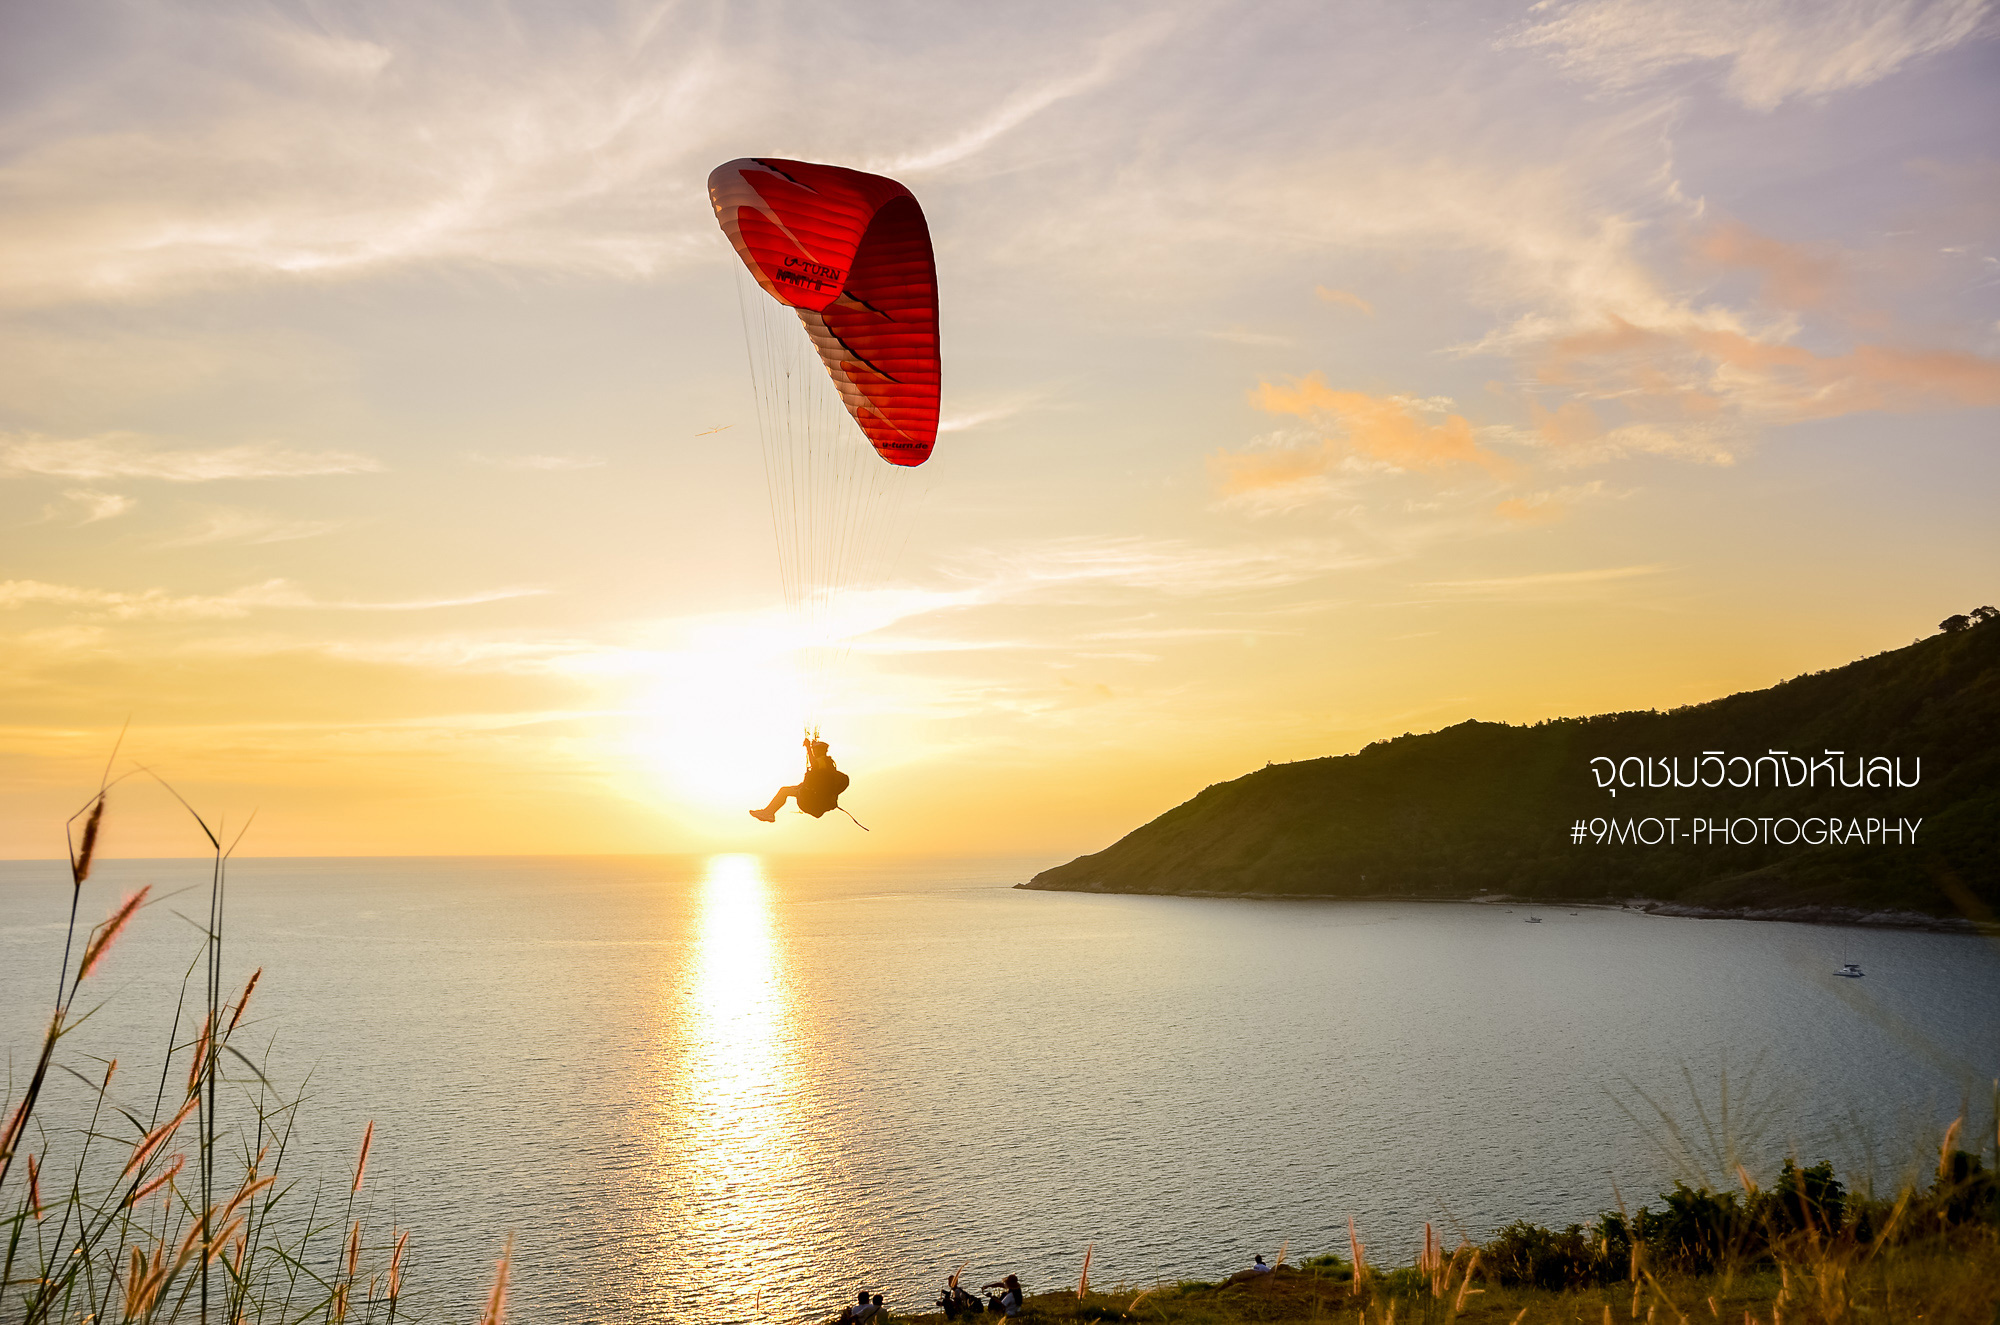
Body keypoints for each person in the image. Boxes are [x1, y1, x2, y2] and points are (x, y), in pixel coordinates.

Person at [751, 737, 851, 822]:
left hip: (813, 798)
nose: (814, 753)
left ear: (819, 751)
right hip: (817, 798)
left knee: (784, 791)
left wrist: (808, 747)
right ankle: (768, 812)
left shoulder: (823, 761)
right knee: (786, 790)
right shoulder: (828, 765)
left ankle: (769, 813)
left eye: (815, 750)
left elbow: (815, 765)